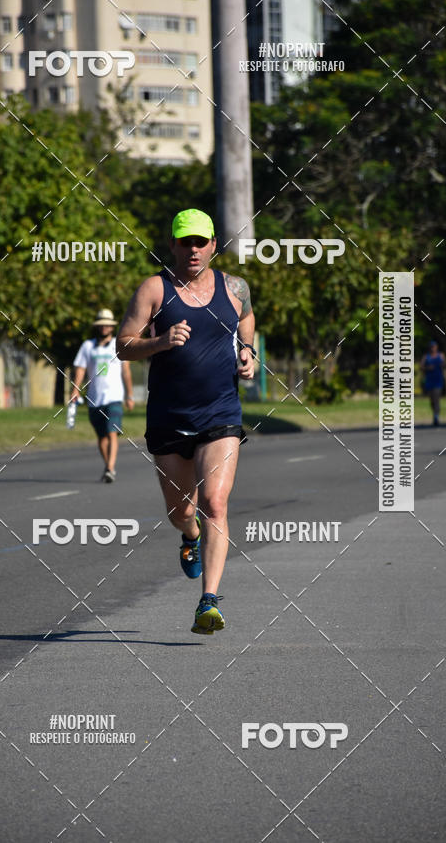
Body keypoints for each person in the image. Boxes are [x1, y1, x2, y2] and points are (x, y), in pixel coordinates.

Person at [116, 208, 255, 634]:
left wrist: (247, 351)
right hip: (169, 417)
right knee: (182, 511)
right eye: (185, 242)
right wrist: (160, 341)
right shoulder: (154, 289)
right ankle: (189, 536)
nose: (193, 250)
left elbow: (246, 318)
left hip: (220, 413)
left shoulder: (235, 288)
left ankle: (208, 602)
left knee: (215, 502)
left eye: (200, 242)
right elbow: (123, 345)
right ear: (172, 245)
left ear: (213, 245)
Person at [71, 308, 134, 482]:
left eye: (107, 325)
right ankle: (108, 467)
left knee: (112, 431)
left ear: (112, 327)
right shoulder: (88, 346)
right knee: (101, 436)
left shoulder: (118, 345)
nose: (104, 327)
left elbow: (126, 371)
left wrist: (129, 395)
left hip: (114, 397)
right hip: (94, 398)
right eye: (101, 325)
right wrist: (75, 390)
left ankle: (110, 467)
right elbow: (80, 369)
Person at [420, 340, 446, 426]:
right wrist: (428, 368)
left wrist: (442, 365)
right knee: (432, 400)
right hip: (429, 381)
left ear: (436, 347)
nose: (433, 348)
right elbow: (421, 367)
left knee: (436, 398)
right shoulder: (426, 357)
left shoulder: (441, 355)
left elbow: (445, 365)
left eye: (434, 347)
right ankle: (435, 413)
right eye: (431, 347)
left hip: (438, 380)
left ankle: (436, 416)